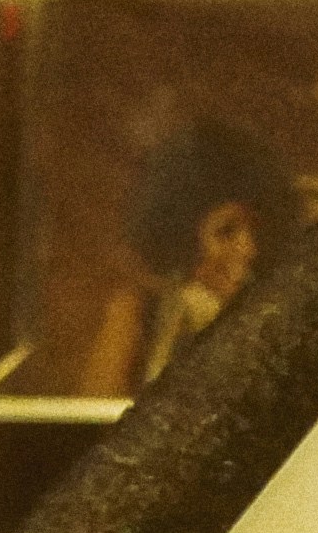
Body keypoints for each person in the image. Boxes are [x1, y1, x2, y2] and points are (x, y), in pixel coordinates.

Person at [82, 116, 302, 394]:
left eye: (256, 230)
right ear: (184, 240)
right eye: (226, 231)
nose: (249, 248)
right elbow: (96, 410)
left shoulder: (275, 316)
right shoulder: (138, 312)